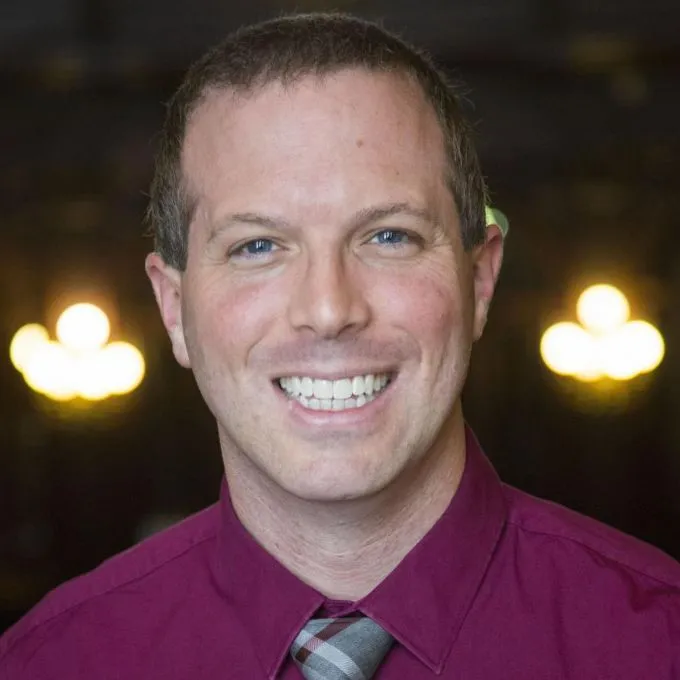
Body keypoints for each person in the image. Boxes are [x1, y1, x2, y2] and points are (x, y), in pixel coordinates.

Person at [1, 12, 679, 679]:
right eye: (257, 246)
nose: (328, 310)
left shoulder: (660, 644)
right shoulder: (50, 663)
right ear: (175, 309)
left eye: (389, 237)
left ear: (479, 280)